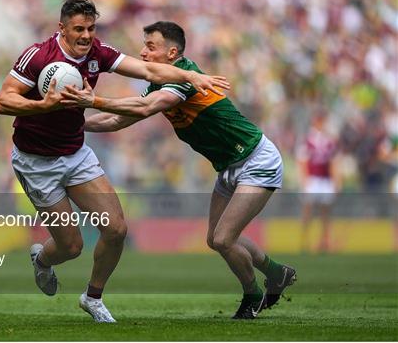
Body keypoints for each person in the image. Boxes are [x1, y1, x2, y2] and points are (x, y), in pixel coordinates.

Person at [0, 0, 230, 323]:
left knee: (116, 228)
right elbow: (3, 101)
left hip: (76, 154)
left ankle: (92, 297)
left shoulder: (98, 54)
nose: (86, 35)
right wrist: (44, 106)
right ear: (61, 28)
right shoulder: (38, 56)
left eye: (91, 28)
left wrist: (191, 78)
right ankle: (43, 261)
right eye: (79, 28)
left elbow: (148, 69)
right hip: (36, 162)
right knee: (71, 247)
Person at [61, 21, 296, 319]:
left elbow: (145, 108)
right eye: (143, 45)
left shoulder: (186, 78)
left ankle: (253, 295)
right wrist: (73, 125)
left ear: (172, 53)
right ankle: (277, 273)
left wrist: (93, 100)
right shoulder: (159, 84)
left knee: (224, 239)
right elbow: (118, 121)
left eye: (151, 47)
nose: (143, 53)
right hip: (229, 167)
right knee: (216, 238)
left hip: (257, 160)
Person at [297, 109, 340, 253]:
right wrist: (304, 181)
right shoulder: (308, 139)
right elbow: (302, 161)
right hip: (313, 179)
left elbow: (333, 162)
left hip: (325, 180)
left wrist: (336, 181)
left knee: (325, 212)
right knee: (308, 211)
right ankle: (304, 240)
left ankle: (324, 241)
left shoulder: (329, 141)